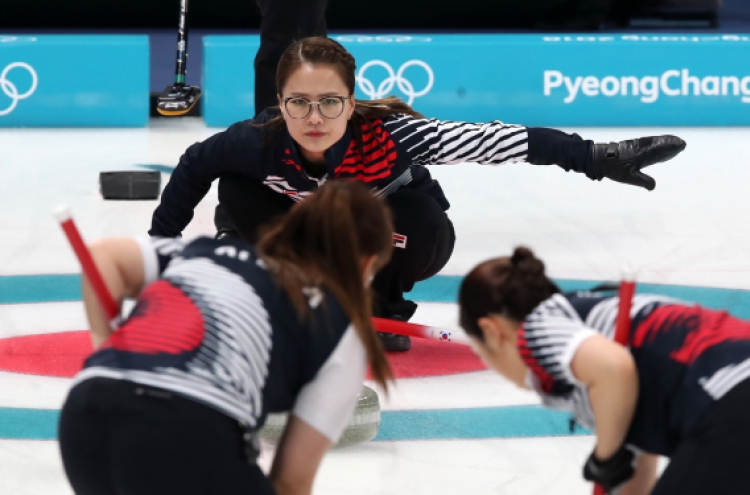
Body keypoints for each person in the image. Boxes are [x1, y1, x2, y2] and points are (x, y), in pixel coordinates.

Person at [149, 36, 686, 352]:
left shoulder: (389, 134)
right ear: (281, 103)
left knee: (422, 230)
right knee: (237, 191)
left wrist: (595, 158)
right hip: (302, 227)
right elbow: (195, 165)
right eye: (299, 104)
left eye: (330, 103)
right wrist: (160, 250)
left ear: (351, 99)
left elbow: (499, 141)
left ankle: (379, 306)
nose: (315, 118)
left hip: (383, 226)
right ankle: (282, 283)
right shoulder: (256, 142)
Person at [58, 181, 394, 495]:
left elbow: (103, 257)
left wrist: (107, 348)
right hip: (187, 431)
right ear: (366, 264)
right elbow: (291, 482)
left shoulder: (203, 252)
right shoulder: (339, 326)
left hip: (86, 418)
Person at [458, 247, 750, 495]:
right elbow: (637, 469)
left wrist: (606, 458)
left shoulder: (537, 329)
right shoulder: (587, 321)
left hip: (730, 397)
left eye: (479, 351)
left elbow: (613, 367)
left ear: (492, 332)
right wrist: (615, 462)